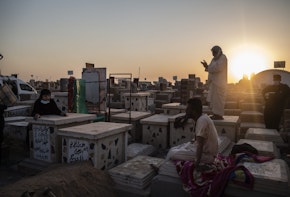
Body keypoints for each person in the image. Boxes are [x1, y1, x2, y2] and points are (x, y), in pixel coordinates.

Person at [168, 98, 219, 170]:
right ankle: (161, 167)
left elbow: (200, 145)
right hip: (202, 151)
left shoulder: (202, 121)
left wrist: (197, 164)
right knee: (174, 148)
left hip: (207, 156)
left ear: (194, 111)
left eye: (188, 109)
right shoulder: (202, 118)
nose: (186, 111)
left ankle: (161, 169)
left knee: (172, 153)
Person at [201, 45, 228, 120]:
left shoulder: (223, 58)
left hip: (220, 84)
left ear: (217, 51)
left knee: (218, 100)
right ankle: (215, 114)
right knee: (213, 100)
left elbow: (217, 68)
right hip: (214, 84)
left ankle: (219, 115)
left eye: (213, 52)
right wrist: (206, 67)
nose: (212, 54)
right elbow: (211, 70)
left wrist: (208, 67)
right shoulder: (213, 59)